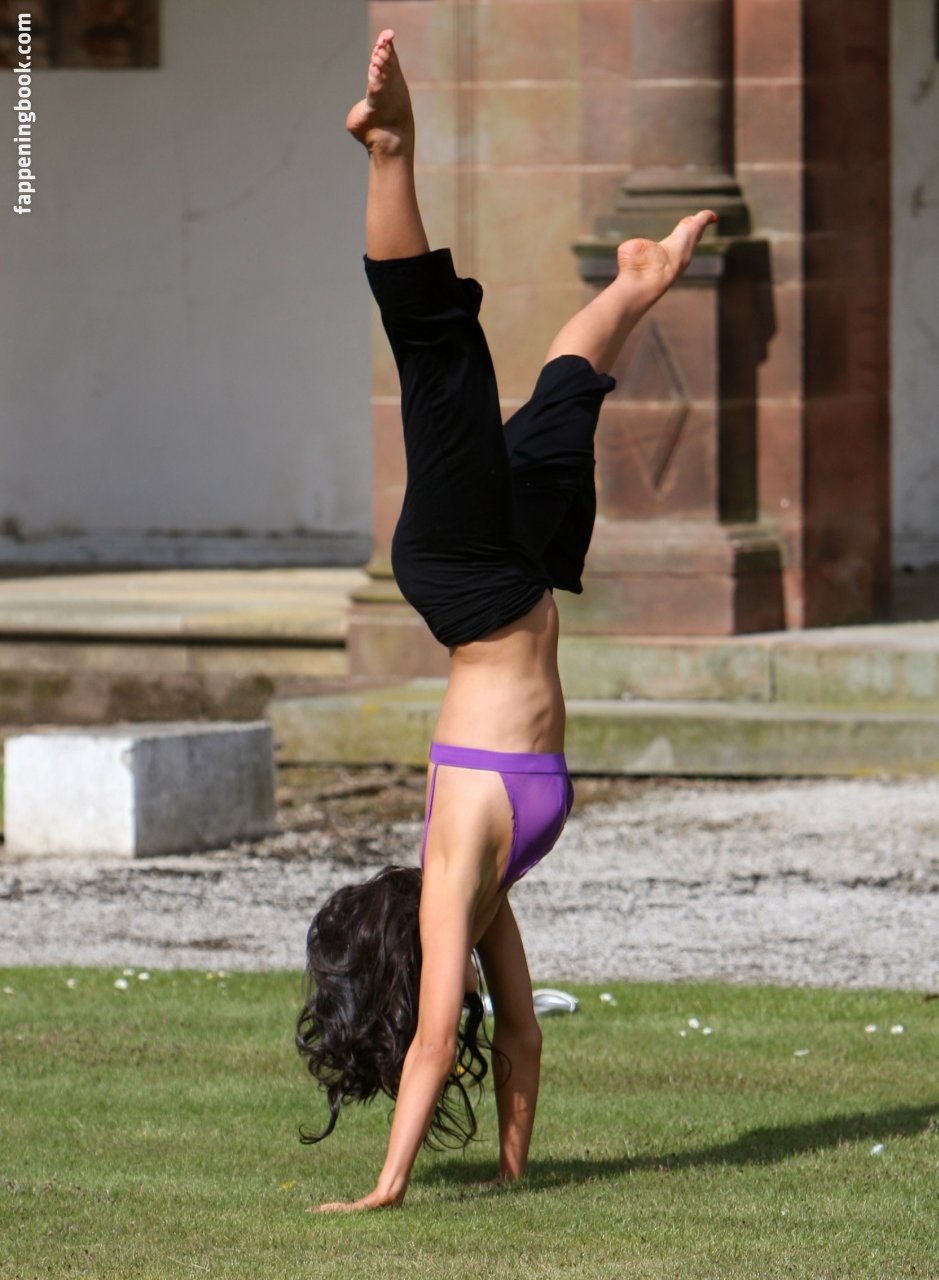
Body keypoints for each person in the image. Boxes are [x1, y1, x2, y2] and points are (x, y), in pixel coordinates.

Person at [296, 29, 715, 1213]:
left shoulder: (453, 869)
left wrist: (385, 1188)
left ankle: (389, 149)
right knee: (559, 411)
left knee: (442, 361)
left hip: (469, 580)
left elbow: (439, 1039)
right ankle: (637, 284)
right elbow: (519, 1035)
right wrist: (516, 1171)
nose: (469, 973)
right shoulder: (487, 892)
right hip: (513, 576)